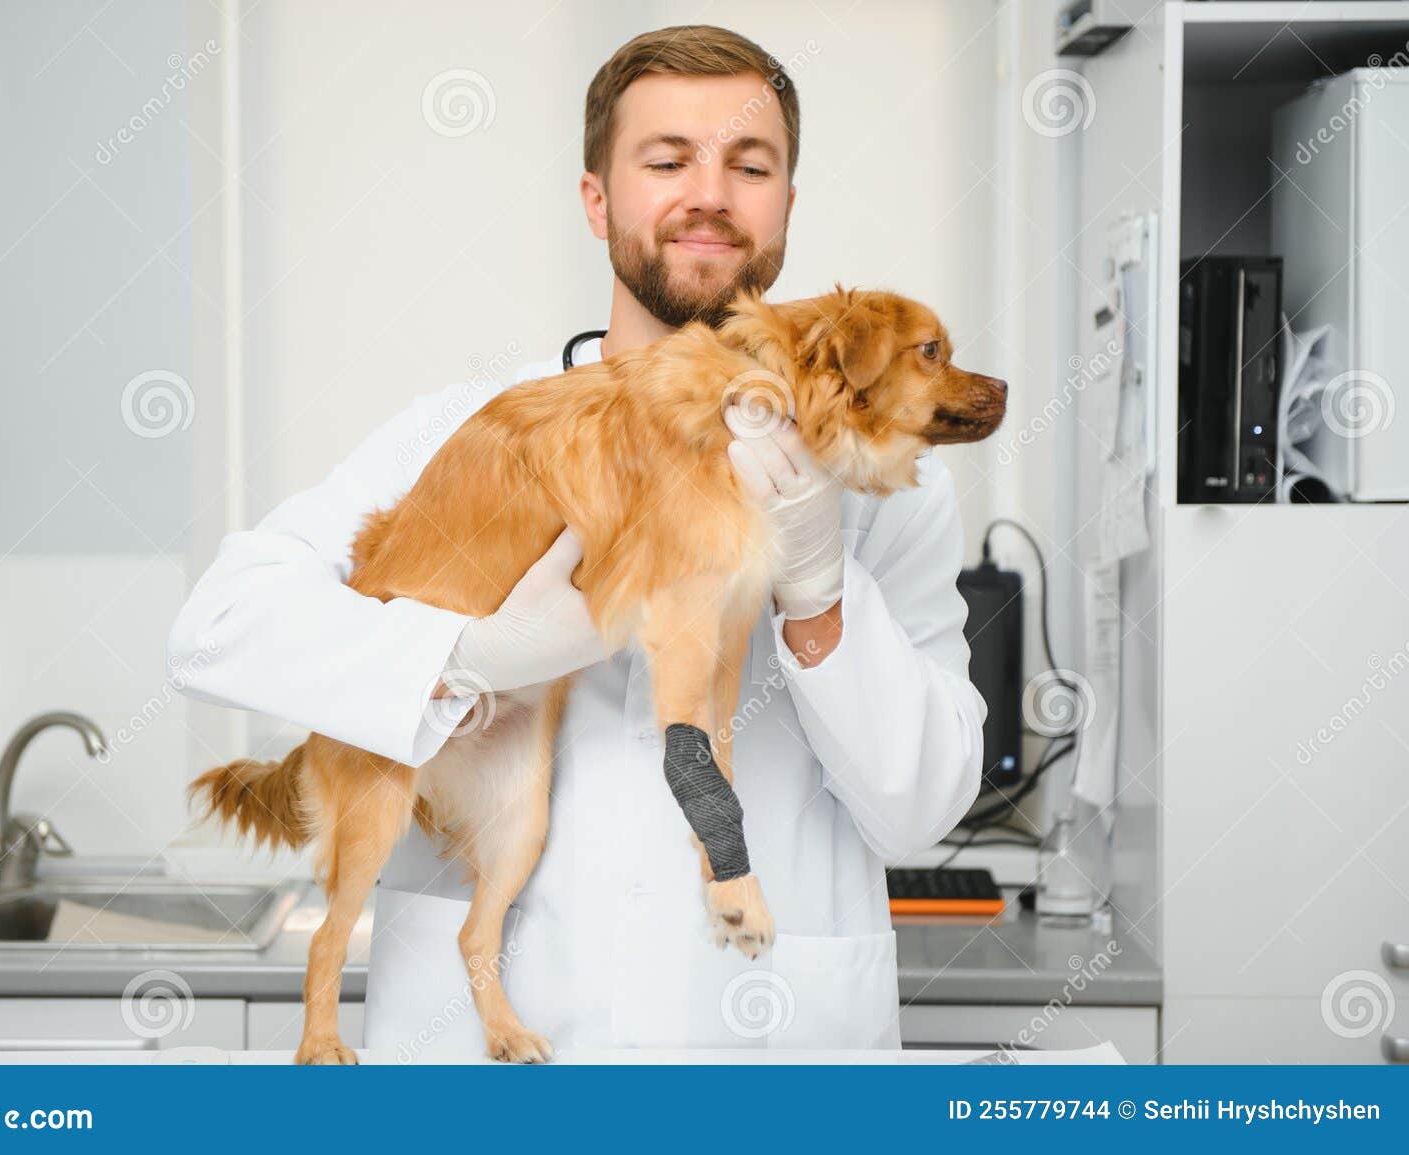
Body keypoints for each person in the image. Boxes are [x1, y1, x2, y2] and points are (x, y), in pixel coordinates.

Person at [167, 24, 986, 1057]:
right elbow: (215, 628)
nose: (711, 195)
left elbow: (924, 812)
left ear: (783, 206)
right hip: (485, 1058)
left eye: (750, 166)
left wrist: (819, 590)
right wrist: (466, 656)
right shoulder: (465, 434)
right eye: (666, 160)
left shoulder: (889, 493)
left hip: (764, 1056)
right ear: (597, 199)